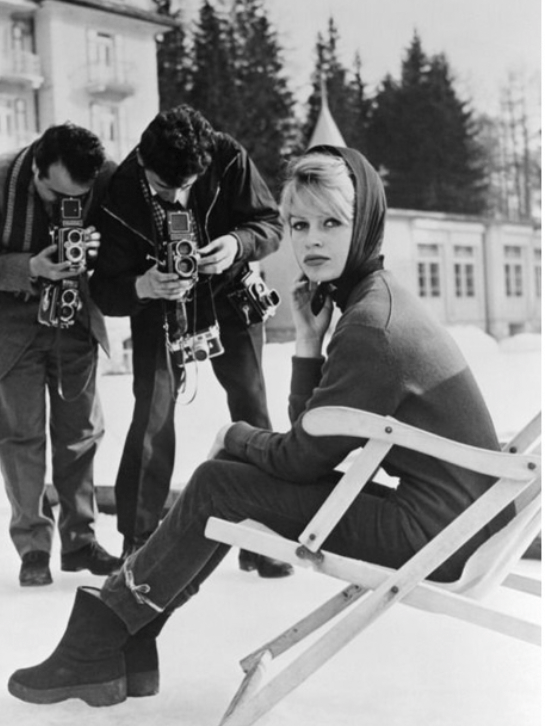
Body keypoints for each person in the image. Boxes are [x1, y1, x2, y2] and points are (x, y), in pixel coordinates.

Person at [8, 145, 511, 707]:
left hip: (437, 539)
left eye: (331, 223)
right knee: (225, 477)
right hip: (454, 521)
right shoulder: (374, 300)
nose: (311, 240)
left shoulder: (372, 325)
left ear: (364, 222)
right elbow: (317, 433)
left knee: (218, 481)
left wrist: (235, 435)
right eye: (298, 224)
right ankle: (126, 639)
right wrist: (306, 342)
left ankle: (108, 639)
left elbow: (303, 457)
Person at [89, 105, 291, 577]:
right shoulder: (120, 192)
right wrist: (142, 286)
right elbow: (103, 287)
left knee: (253, 410)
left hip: (229, 295)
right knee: (152, 415)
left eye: (188, 187)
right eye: (164, 189)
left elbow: (270, 224)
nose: (178, 198)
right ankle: (137, 542)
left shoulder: (229, 158)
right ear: (142, 161)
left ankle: (259, 535)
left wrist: (238, 244)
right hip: (159, 306)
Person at [0, 123, 122, 587]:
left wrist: (98, 248)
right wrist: (28, 266)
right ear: (35, 166)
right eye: (53, 192)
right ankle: (33, 548)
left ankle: (80, 541)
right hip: (13, 328)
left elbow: (126, 245)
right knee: (20, 436)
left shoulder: (106, 181)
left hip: (73, 322)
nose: (60, 203)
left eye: (76, 195)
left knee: (81, 434)